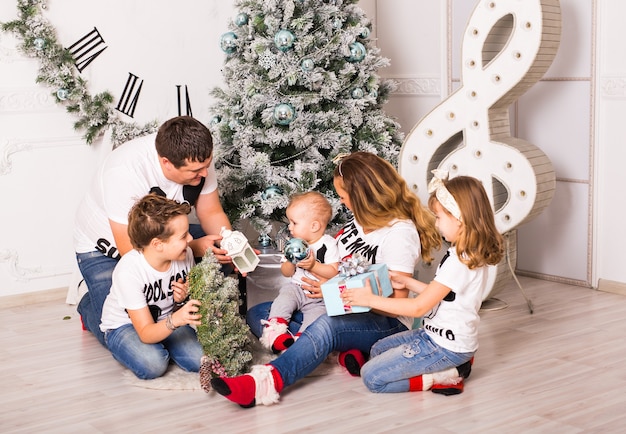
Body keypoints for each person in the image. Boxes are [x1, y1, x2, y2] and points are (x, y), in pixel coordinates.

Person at [210, 151, 442, 408]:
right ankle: (331, 349)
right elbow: (337, 263)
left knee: (327, 326)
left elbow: (397, 301)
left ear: (361, 196)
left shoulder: (399, 234)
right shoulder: (361, 221)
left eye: (344, 197)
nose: (342, 203)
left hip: (385, 321)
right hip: (337, 305)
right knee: (261, 313)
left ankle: (263, 383)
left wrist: (335, 292)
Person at [74, 116, 233, 347]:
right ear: (166, 162)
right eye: (197, 171)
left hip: (166, 237)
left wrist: (231, 246)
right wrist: (195, 247)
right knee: (120, 327)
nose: (205, 174)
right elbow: (134, 250)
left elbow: (210, 212)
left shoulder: (197, 157)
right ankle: (88, 304)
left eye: (207, 165)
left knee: (220, 255)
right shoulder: (124, 172)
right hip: (109, 247)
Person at [343, 171, 504, 395]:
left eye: (438, 217)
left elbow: (418, 307)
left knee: (372, 378)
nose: (436, 224)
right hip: (433, 334)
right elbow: (443, 295)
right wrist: (407, 282)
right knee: (378, 349)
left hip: (445, 346)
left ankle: (445, 375)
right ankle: (453, 366)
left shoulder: (460, 261)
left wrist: (369, 299)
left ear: (459, 218)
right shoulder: (463, 252)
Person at [100, 194, 203, 379]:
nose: (191, 239)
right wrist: (176, 320)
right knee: (153, 364)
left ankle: (165, 343)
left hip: (165, 319)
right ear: (158, 244)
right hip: (127, 325)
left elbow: (182, 302)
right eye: (183, 236)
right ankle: (88, 309)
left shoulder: (183, 254)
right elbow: (146, 333)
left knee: (200, 359)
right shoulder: (129, 271)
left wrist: (182, 298)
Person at [260, 191, 340, 353]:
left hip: (317, 297)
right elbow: (286, 273)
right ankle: (275, 333)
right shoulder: (293, 244)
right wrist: (290, 260)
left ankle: (301, 343)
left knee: (316, 320)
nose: (289, 227)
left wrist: (313, 266)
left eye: (294, 223)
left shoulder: (328, 244)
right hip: (296, 288)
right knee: (283, 300)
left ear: (314, 226)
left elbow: (333, 271)